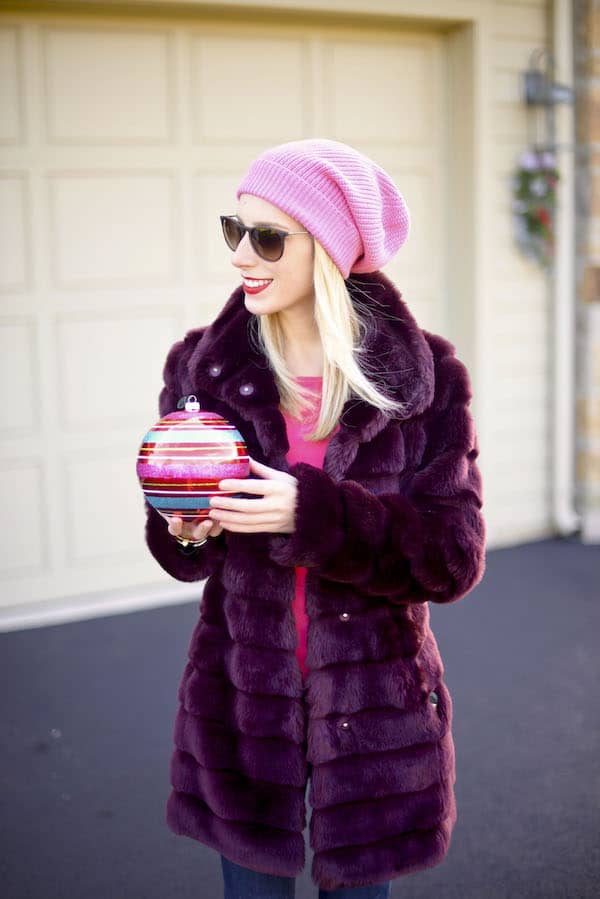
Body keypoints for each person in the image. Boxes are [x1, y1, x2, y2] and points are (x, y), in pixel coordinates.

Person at [144, 138, 487, 898]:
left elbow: (453, 557)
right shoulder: (204, 369)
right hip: (240, 699)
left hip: (377, 709)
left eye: (269, 237)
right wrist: (184, 529)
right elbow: (177, 545)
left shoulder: (422, 381)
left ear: (328, 250)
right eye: (235, 229)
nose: (242, 255)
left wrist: (317, 514)